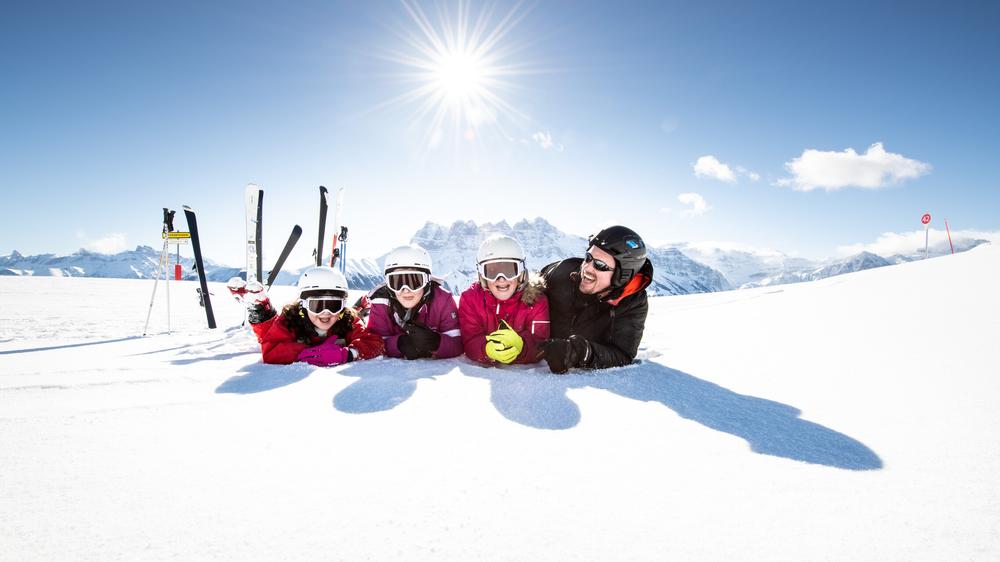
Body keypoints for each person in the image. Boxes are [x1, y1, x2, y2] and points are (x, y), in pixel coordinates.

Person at [538, 225, 653, 374]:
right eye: (588, 258)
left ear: (621, 275)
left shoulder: (632, 303)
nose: (587, 268)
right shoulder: (562, 272)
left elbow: (622, 354)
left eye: (600, 265)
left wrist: (579, 352)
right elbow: (523, 291)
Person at [247, 266, 384, 365]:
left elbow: (374, 342)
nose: (326, 313)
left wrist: (349, 354)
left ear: (342, 307)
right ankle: (260, 307)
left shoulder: (347, 319)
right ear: (304, 305)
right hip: (284, 328)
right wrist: (306, 352)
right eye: (317, 306)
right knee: (267, 333)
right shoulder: (291, 319)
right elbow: (271, 350)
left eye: (334, 306)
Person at [459, 234, 550, 365]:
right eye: (492, 271)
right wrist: (486, 350)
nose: (501, 279)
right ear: (482, 276)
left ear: (521, 273)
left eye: (509, 270)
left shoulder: (536, 301)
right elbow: (469, 340)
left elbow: (541, 344)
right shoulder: (471, 300)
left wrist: (522, 347)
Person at [366, 245, 463, 360]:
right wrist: (399, 344)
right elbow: (373, 343)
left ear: (427, 281)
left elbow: (458, 343)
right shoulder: (381, 302)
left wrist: (435, 342)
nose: (406, 290)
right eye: (397, 282)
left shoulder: (442, 300)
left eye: (414, 281)